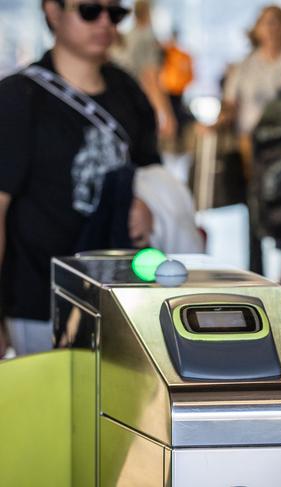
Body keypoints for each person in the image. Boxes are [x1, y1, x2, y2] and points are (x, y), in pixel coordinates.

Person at [0, 0, 159, 355]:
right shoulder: (17, 97)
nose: (104, 21)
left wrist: (149, 208)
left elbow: (151, 173)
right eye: (89, 10)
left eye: (115, 13)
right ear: (52, 12)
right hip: (40, 299)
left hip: (123, 296)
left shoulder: (128, 91)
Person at [220, 5, 281, 179]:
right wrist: (218, 121)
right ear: (257, 29)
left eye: (277, 23)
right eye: (266, 23)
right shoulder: (243, 65)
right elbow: (230, 103)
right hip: (252, 142)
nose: (272, 28)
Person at [112, 0, 176, 140]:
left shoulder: (129, 35)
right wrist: (165, 114)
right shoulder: (145, 37)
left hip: (120, 101)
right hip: (137, 102)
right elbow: (150, 78)